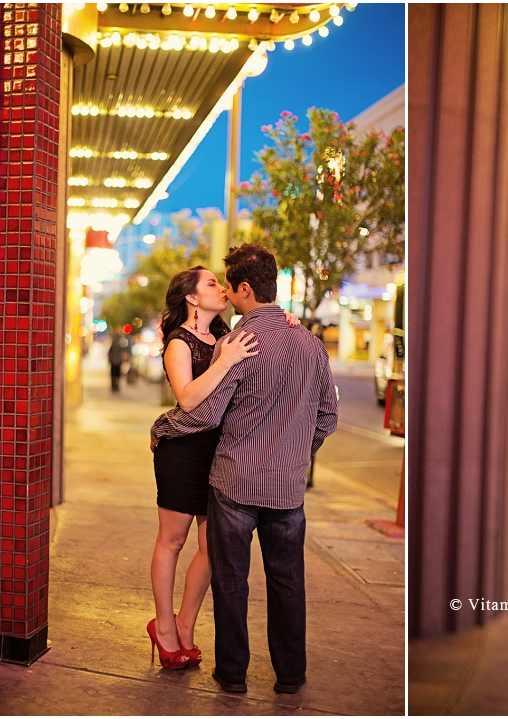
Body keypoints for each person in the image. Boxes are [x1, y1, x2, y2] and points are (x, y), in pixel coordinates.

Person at [150, 244, 338, 694]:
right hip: (286, 488)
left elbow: (206, 413)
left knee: (232, 582)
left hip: (235, 478)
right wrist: (296, 453)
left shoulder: (237, 341)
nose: (226, 294)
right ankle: (290, 677)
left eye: (229, 286)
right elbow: (328, 416)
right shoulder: (310, 343)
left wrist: (165, 425)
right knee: (288, 583)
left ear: (246, 288)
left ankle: (232, 675)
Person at [146, 265, 298, 670]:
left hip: (222, 453)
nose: (223, 287)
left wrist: (285, 320)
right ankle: (162, 628)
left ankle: (185, 624)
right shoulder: (179, 342)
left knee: (214, 547)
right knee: (172, 541)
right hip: (182, 453)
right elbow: (190, 399)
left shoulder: (228, 336)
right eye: (212, 283)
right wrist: (225, 359)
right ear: (192, 298)